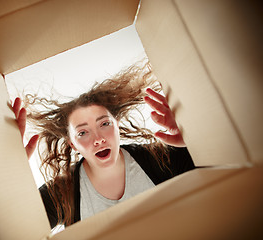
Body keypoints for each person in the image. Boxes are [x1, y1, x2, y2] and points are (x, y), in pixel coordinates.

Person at [11, 62, 195, 229]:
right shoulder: (61, 193)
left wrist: (194, 138)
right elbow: (17, 228)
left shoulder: (159, 159)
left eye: (104, 124)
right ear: (72, 144)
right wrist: (9, 171)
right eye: (82, 133)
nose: (98, 139)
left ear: (117, 126)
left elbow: (217, 169)